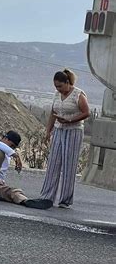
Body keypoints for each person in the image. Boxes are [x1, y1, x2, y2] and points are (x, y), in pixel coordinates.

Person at [40, 69, 90, 208]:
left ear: (67, 83)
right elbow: (53, 113)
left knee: (69, 165)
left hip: (73, 131)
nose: (58, 89)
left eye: (60, 86)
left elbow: (86, 112)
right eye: (56, 87)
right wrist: (48, 131)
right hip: (58, 130)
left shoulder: (78, 94)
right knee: (53, 163)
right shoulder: (57, 95)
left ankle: (65, 199)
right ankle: (47, 196)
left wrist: (70, 120)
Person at [0, 131, 53, 209]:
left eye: (14, 147)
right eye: (11, 145)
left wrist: (2, 185)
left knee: (12, 191)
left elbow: (1, 175)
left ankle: (26, 201)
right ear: (5, 138)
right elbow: (0, 145)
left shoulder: (7, 157)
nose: (11, 148)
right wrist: (16, 156)